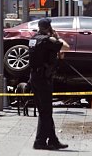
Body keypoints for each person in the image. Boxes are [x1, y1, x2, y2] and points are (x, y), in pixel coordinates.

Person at [29, 18, 69, 150]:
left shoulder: (34, 39)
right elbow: (65, 46)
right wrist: (57, 37)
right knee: (45, 112)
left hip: (34, 77)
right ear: (49, 27)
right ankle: (39, 142)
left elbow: (43, 54)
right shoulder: (47, 40)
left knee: (45, 111)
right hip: (43, 79)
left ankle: (53, 140)